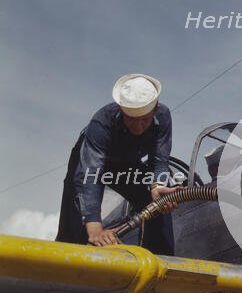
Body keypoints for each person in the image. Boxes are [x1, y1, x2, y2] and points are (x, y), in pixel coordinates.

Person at [55, 73, 179, 254]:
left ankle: (161, 262)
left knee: (155, 203)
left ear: (155, 109)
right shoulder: (101, 122)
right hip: (89, 166)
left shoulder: (164, 117)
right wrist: (95, 227)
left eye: (144, 120)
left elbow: (159, 159)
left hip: (125, 162)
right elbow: (91, 175)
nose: (138, 128)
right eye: (131, 120)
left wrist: (158, 185)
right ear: (121, 110)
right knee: (76, 217)